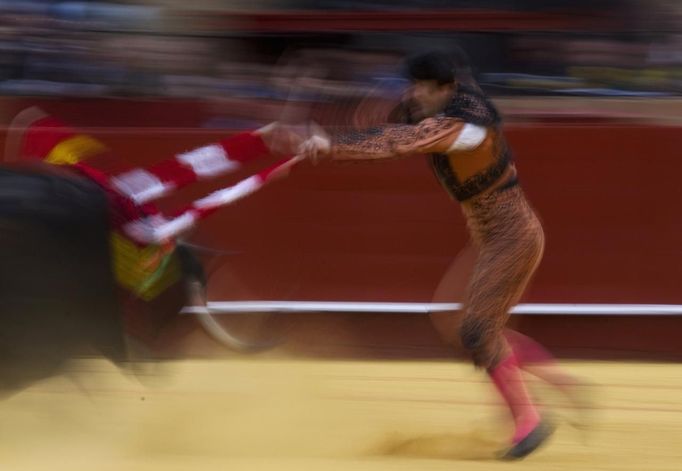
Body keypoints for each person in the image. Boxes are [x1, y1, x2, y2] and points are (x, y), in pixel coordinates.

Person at [298, 50, 584, 459]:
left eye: (419, 88)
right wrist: (322, 113)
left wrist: (331, 145)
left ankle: (529, 422)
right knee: (454, 324)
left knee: (477, 331)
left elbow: (399, 141)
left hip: (513, 236)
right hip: (488, 237)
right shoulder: (445, 104)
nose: (411, 94)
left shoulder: (463, 126)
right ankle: (558, 382)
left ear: (443, 90)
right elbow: (387, 121)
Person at [0, 107, 302, 393]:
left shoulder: (130, 199)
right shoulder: (135, 218)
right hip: (74, 249)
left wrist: (262, 141)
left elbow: (194, 167)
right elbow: (196, 169)